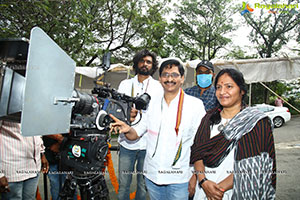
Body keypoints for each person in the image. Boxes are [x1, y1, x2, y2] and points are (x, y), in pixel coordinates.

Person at [111, 58, 206, 200]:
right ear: (160, 79)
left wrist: (195, 175)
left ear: (182, 78)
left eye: (174, 75)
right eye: (165, 75)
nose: (169, 79)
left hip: (179, 179)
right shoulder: (152, 103)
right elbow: (135, 134)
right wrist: (127, 129)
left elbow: (201, 145)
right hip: (152, 176)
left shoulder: (195, 106)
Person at [190, 68, 276, 199]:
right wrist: (203, 181)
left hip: (234, 190)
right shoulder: (208, 118)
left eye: (229, 86)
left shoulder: (255, 122)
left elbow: (253, 166)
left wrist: (218, 189)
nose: (222, 92)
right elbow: (197, 152)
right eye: (218, 87)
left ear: (242, 90)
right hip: (203, 189)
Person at [117, 49, 163, 200]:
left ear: (153, 66)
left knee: (143, 185)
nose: (145, 64)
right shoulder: (125, 84)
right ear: (136, 63)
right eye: (142, 61)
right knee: (124, 183)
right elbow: (117, 110)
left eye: (149, 62)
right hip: (126, 144)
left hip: (147, 145)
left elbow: (159, 115)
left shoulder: (158, 87)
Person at [0, 120, 49, 200]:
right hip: (11, 170)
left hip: (33, 167)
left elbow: (37, 132)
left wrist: (42, 153)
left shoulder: (34, 109)